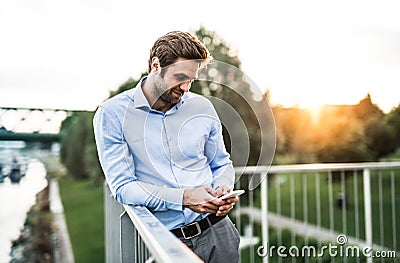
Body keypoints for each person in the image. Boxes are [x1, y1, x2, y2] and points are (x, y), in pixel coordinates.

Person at [93, 31, 240, 262]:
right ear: (155, 66)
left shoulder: (203, 107)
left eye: (191, 80)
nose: (185, 88)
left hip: (219, 234)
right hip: (165, 244)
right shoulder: (112, 114)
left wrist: (223, 189)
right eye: (180, 77)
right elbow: (123, 187)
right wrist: (186, 197)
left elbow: (221, 163)